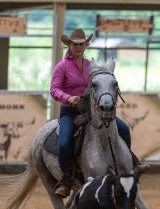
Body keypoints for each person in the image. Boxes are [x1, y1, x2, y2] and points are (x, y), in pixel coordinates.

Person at [50, 28, 133, 198]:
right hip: (70, 112)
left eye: (81, 44)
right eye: (75, 44)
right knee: (65, 142)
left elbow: (101, 82)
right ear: (69, 45)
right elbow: (53, 89)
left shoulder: (90, 65)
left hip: (92, 111)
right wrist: (68, 97)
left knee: (123, 129)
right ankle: (66, 180)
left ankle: (130, 164)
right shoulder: (62, 66)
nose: (78, 47)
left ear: (86, 45)